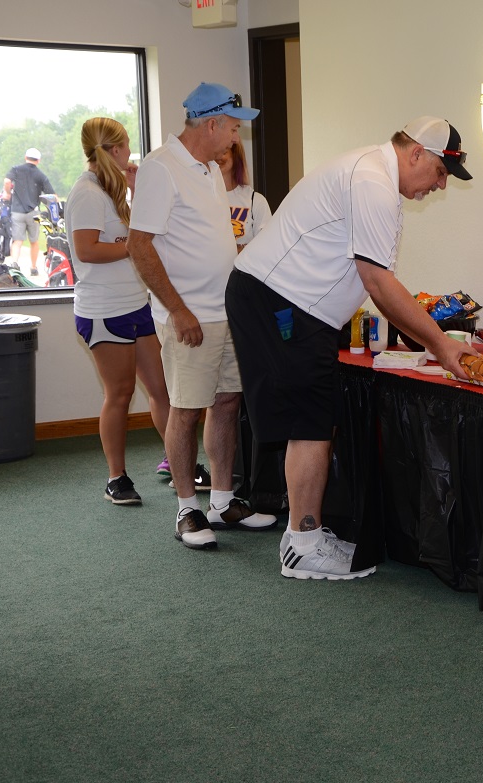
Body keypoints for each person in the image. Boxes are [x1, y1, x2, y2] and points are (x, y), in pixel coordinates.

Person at [226, 116, 475, 580]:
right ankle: (302, 545)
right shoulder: (372, 181)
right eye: (441, 172)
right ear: (417, 152)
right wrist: (441, 345)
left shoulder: (372, 174)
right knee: (311, 421)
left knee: (316, 418)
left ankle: (305, 534)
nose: (440, 185)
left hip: (290, 303)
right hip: (281, 301)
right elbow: (378, 283)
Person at [128, 82, 277, 549]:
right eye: (233, 127)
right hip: (189, 316)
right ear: (211, 123)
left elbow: (208, 242)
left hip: (227, 310)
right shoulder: (161, 168)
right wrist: (178, 310)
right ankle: (187, 510)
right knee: (186, 410)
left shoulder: (210, 169)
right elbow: (139, 245)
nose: (236, 137)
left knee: (227, 404)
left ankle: (222, 498)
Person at [67, 117, 171, 506]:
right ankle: (116, 478)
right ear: (112, 150)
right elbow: (87, 250)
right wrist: (131, 246)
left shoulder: (113, 191)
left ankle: (177, 464)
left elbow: (136, 231)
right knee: (121, 393)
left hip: (135, 304)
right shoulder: (88, 193)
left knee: (162, 390)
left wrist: (134, 189)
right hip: (102, 310)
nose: (130, 154)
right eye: (125, 146)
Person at [3, 147, 57, 272]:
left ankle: (14, 263)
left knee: (17, 240)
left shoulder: (16, 170)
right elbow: (52, 196)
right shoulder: (40, 175)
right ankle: (33, 267)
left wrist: (7, 193)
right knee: (34, 241)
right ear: (38, 160)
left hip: (17, 211)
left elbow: (7, 181)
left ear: (25, 157)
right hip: (33, 212)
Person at [217, 140, 271, 249]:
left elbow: (266, 247)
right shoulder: (200, 197)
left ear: (235, 156)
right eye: (214, 152)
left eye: (224, 152)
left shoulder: (256, 201)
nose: (217, 157)